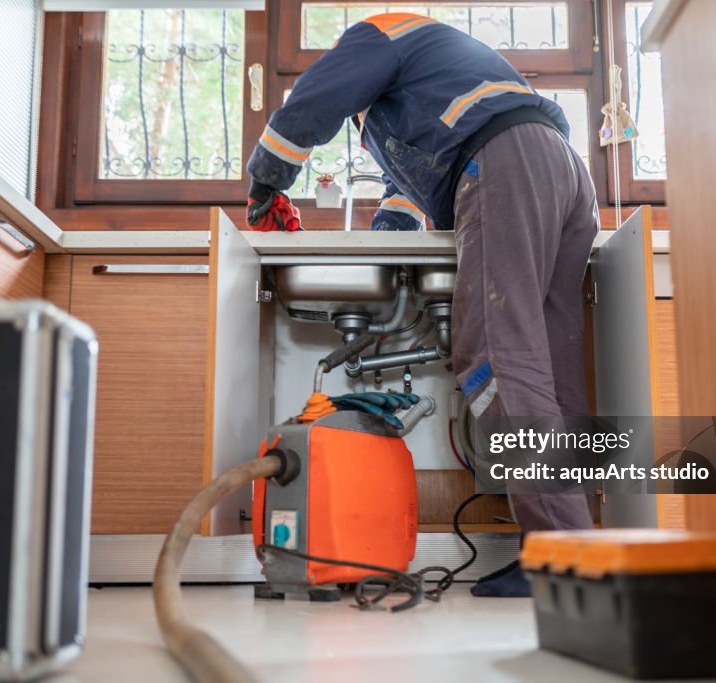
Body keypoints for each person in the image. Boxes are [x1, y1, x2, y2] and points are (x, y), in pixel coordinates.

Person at [245, 12, 599, 597]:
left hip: (504, 163)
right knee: (554, 374)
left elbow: (313, 99)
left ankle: (561, 562)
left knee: (500, 357)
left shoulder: (375, 35)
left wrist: (266, 181)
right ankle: (580, 546)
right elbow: (402, 205)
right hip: (559, 169)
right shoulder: (424, 92)